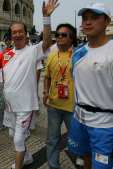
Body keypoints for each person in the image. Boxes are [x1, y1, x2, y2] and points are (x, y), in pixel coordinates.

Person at [0, 0, 59, 168]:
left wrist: (46, 18)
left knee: (17, 139)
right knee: (11, 134)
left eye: (20, 31)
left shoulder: (33, 51)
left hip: (25, 105)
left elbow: (46, 41)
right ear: (11, 35)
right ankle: (27, 157)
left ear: (25, 34)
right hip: (10, 105)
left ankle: (18, 165)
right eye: (14, 32)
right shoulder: (6, 54)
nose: (17, 34)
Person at [68, 3, 113, 169]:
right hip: (80, 118)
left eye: (94, 18)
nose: (88, 22)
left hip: (105, 123)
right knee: (85, 160)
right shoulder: (78, 52)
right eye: (85, 18)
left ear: (107, 21)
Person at [43, 23, 77, 169]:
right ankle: (53, 165)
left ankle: (82, 155)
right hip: (54, 105)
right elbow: (47, 76)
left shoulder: (78, 55)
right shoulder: (51, 56)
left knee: (77, 138)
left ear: (72, 38)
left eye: (64, 35)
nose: (59, 37)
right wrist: (45, 92)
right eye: (57, 35)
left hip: (73, 106)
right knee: (52, 138)